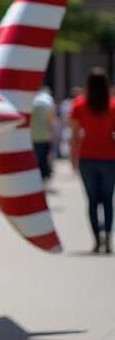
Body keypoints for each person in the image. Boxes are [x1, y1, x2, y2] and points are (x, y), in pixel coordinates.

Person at [69, 68, 115, 255]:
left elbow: (74, 135)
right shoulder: (112, 106)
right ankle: (108, 237)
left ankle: (96, 239)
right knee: (108, 200)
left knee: (92, 201)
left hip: (87, 157)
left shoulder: (79, 105)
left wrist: (73, 157)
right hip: (110, 158)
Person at [29, 85, 57, 183]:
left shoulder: (33, 100)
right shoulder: (48, 101)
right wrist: (52, 133)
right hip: (45, 135)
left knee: (37, 158)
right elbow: (50, 119)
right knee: (44, 158)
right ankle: (44, 178)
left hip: (33, 135)